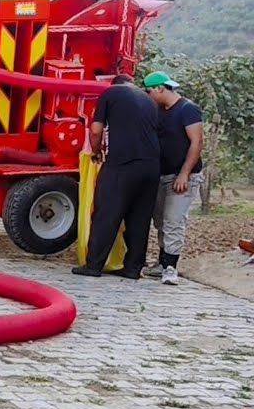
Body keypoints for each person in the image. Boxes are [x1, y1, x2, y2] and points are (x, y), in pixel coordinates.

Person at [72, 76, 161, 279]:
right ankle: (132, 268)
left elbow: (96, 130)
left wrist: (95, 152)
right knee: (139, 218)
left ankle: (93, 265)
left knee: (106, 212)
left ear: (114, 84)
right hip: (151, 166)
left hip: (122, 163)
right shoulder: (149, 100)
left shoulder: (110, 93)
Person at [142, 71, 203, 285]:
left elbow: (196, 143)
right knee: (160, 221)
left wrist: (184, 174)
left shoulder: (188, 110)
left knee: (174, 220)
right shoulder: (159, 111)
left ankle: (171, 267)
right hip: (162, 174)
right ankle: (161, 261)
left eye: (149, 91)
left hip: (183, 175)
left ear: (160, 88)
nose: (148, 96)